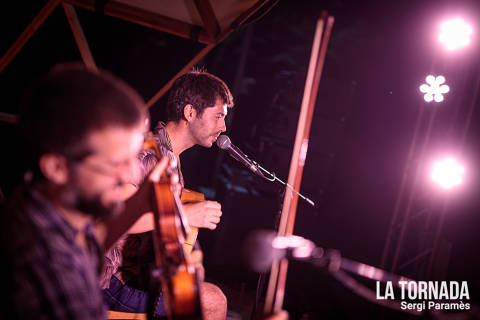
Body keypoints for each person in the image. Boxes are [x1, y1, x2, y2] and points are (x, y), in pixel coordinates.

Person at [0, 63, 171, 319]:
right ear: (57, 167)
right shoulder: (49, 274)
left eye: (131, 159)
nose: (131, 176)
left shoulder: (47, 204)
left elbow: (91, 241)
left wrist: (137, 204)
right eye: (116, 163)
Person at [102, 69, 234, 319]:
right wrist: (186, 214)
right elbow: (114, 218)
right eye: (218, 116)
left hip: (137, 273)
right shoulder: (144, 155)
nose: (223, 126)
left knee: (202, 286)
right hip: (110, 283)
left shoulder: (169, 158)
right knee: (212, 302)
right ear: (190, 112)